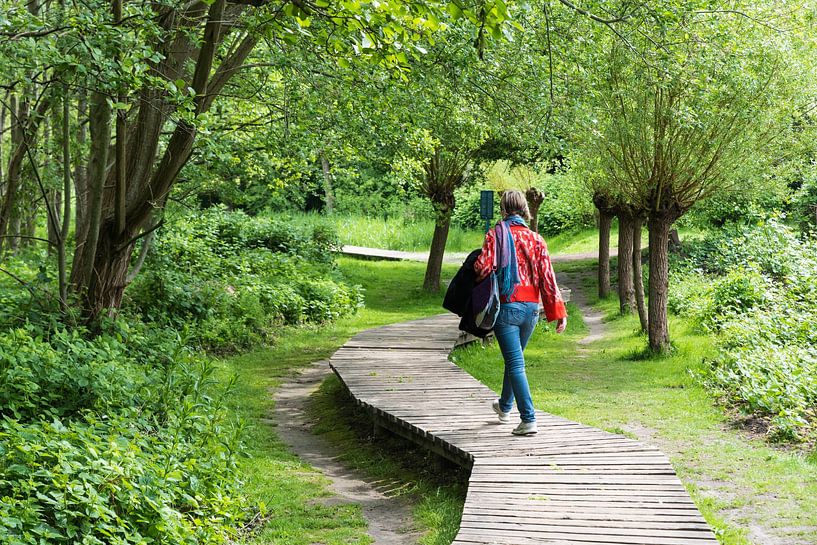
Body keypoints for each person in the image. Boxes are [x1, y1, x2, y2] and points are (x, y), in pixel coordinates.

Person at [474, 190, 568, 436]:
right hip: (531, 311)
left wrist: (477, 262)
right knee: (514, 360)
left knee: (515, 363)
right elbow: (548, 278)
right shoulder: (537, 239)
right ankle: (504, 407)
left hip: (507, 307)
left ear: (503, 210)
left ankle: (529, 419)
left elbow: (483, 267)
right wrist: (559, 312)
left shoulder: (496, 234)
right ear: (525, 209)